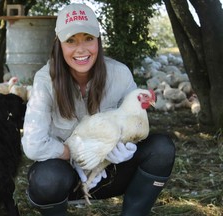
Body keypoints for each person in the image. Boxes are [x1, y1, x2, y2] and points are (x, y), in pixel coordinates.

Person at [22, 3, 175, 216]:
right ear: (59, 45)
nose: (81, 49)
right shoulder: (45, 80)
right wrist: (72, 154)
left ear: (98, 41)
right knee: (47, 180)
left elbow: (136, 122)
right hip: (67, 177)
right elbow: (33, 145)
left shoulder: (120, 74)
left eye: (88, 38)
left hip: (110, 170)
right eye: (71, 41)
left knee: (161, 149)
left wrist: (127, 146)